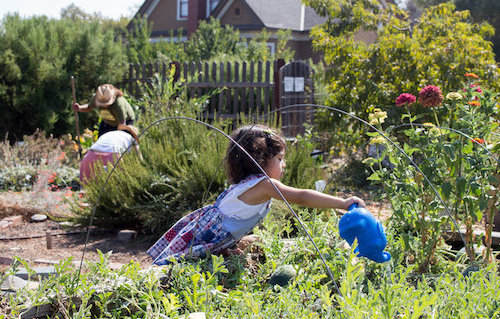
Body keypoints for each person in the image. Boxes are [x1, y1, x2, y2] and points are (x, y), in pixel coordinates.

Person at [147, 124, 365, 265]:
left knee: (257, 241)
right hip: (204, 238)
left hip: (213, 236)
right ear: (261, 160)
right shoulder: (265, 185)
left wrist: (229, 247)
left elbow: (232, 224)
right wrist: (344, 203)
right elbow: (301, 196)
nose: (284, 165)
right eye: (280, 159)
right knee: (176, 269)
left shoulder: (249, 185)